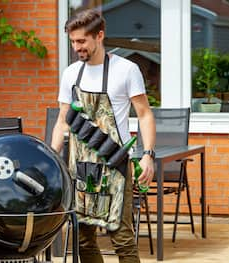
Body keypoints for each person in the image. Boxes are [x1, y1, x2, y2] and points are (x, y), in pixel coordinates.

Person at [51, 9, 156, 263]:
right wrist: (52, 158)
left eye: (82, 41)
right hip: (81, 168)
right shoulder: (71, 74)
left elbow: (144, 115)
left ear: (99, 36)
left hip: (114, 165)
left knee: (122, 239)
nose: (77, 47)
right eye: (73, 42)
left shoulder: (126, 70)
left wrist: (148, 155)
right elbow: (62, 120)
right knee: (83, 239)